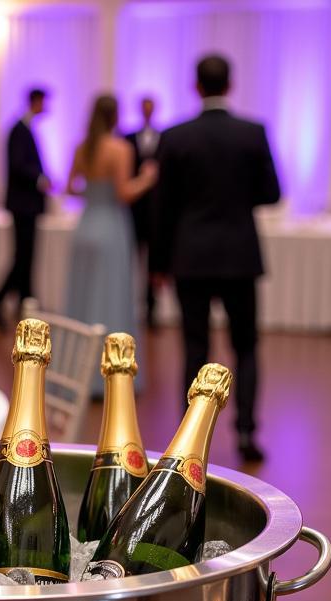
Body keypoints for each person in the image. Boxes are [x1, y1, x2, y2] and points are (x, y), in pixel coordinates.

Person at [153, 55, 280, 463]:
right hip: (240, 254)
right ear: (231, 83)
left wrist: (157, 264)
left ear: (196, 86)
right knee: (246, 345)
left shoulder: (175, 136)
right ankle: (245, 432)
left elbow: (163, 206)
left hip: (190, 254)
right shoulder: (253, 132)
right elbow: (272, 192)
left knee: (194, 345)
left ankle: (190, 434)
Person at [64, 94, 156, 368]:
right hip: (111, 228)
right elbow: (125, 193)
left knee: (82, 299)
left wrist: (93, 193)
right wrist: (147, 179)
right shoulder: (120, 149)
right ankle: (110, 368)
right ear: (116, 116)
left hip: (85, 225)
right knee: (110, 298)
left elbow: (70, 188)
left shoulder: (82, 148)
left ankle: (78, 368)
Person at [0, 87, 50, 331]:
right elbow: (18, 165)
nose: (46, 107)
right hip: (23, 205)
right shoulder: (18, 130)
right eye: (44, 102)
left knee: (27, 257)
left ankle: (26, 305)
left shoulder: (26, 129)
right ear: (35, 101)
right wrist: (40, 179)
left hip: (28, 206)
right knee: (22, 257)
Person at [125, 96, 160, 328]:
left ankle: (152, 309)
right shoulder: (127, 138)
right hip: (133, 210)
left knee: (153, 262)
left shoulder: (165, 138)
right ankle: (130, 306)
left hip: (155, 211)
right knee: (131, 260)